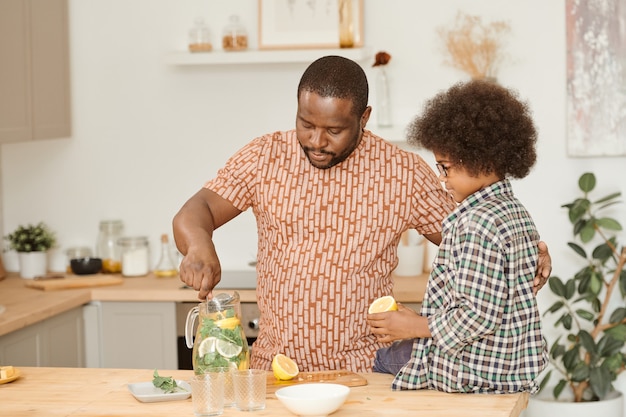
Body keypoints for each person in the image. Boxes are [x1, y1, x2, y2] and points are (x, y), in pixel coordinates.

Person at [173, 56, 552, 373]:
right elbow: (197, 210)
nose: (316, 141)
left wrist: (525, 251)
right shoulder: (263, 156)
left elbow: (475, 230)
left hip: (367, 371)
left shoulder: (402, 172)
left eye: (334, 130)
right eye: (306, 124)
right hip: (275, 369)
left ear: (364, 117)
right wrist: (198, 245)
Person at [368, 80, 549, 394]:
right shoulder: (514, 211)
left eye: (445, 167)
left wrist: (415, 326)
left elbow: (479, 315)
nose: (441, 178)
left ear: (482, 160)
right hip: (508, 364)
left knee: (383, 362)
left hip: (475, 369)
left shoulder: (476, 223)